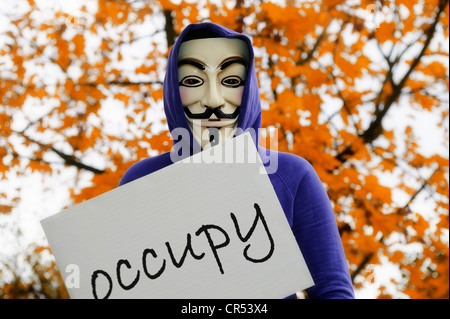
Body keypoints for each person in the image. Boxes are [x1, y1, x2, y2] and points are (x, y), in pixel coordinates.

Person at [119, 22, 355, 299]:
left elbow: (333, 290)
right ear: (172, 89)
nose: (213, 100)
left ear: (251, 88)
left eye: (231, 81)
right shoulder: (141, 182)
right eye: (193, 81)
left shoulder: (292, 176)